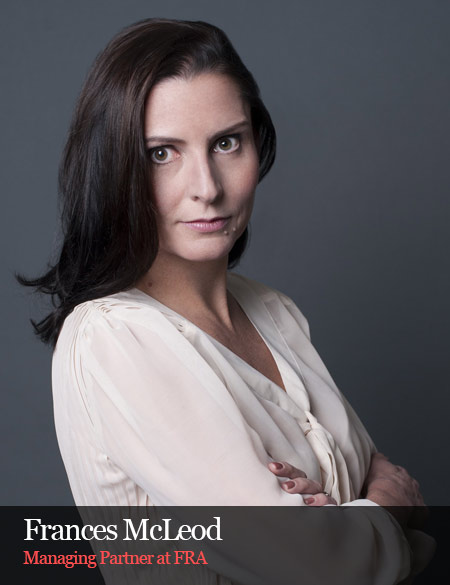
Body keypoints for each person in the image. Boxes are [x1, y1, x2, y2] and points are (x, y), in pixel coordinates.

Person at [19, 17, 433, 584]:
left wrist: (354, 517)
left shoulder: (274, 312)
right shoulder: (114, 338)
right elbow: (323, 562)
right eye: (161, 153)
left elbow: (378, 499)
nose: (207, 187)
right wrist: (384, 508)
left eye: (226, 142)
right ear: (114, 168)